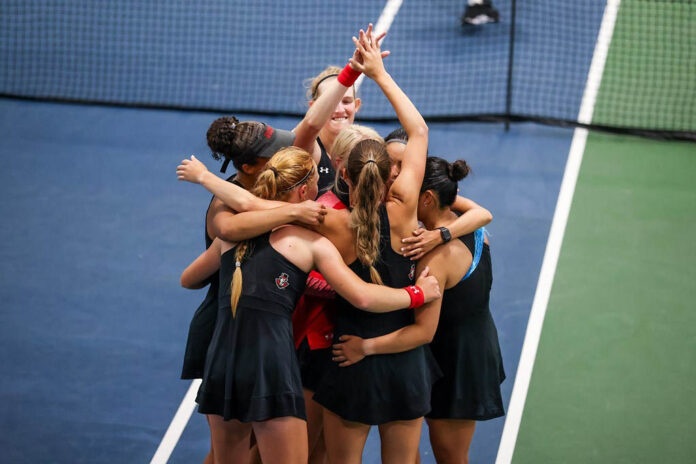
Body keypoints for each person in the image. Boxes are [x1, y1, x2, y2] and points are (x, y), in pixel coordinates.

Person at [180, 147, 441, 464]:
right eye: (319, 181)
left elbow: (189, 279)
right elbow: (363, 296)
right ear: (305, 191)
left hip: (222, 360)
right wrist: (418, 294)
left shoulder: (231, 232)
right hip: (270, 365)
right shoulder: (310, 242)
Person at [332, 156, 506, 463]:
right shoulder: (474, 227)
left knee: (449, 455)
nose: (398, 196)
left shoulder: (436, 258)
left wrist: (365, 347)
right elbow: (473, 208)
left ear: (426, 198)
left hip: (457, 363)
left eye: (407, 192)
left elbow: (424, 332)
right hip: (473, 347)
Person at [179, 117, 327, 464]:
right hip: (229, 333)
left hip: (239, 336)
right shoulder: (226, 210)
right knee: (225, 452)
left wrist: (349, 75)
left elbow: (310, 124)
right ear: (251, 166)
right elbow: (233, 222)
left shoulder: (249, 209)